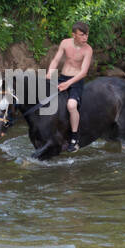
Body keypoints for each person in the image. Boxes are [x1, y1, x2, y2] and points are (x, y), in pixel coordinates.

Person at [47, 22, 92, 152]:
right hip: (62, 77)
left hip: (76, 80)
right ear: (74, 35)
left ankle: (74, 138)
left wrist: (68, 84)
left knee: (71, 105)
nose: (85, 38)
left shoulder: (88, 49)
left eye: (87, 35)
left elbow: (84, 72)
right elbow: (56, 60)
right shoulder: (65, 43)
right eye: (82, 35)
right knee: (45, 98)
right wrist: (50, 72)